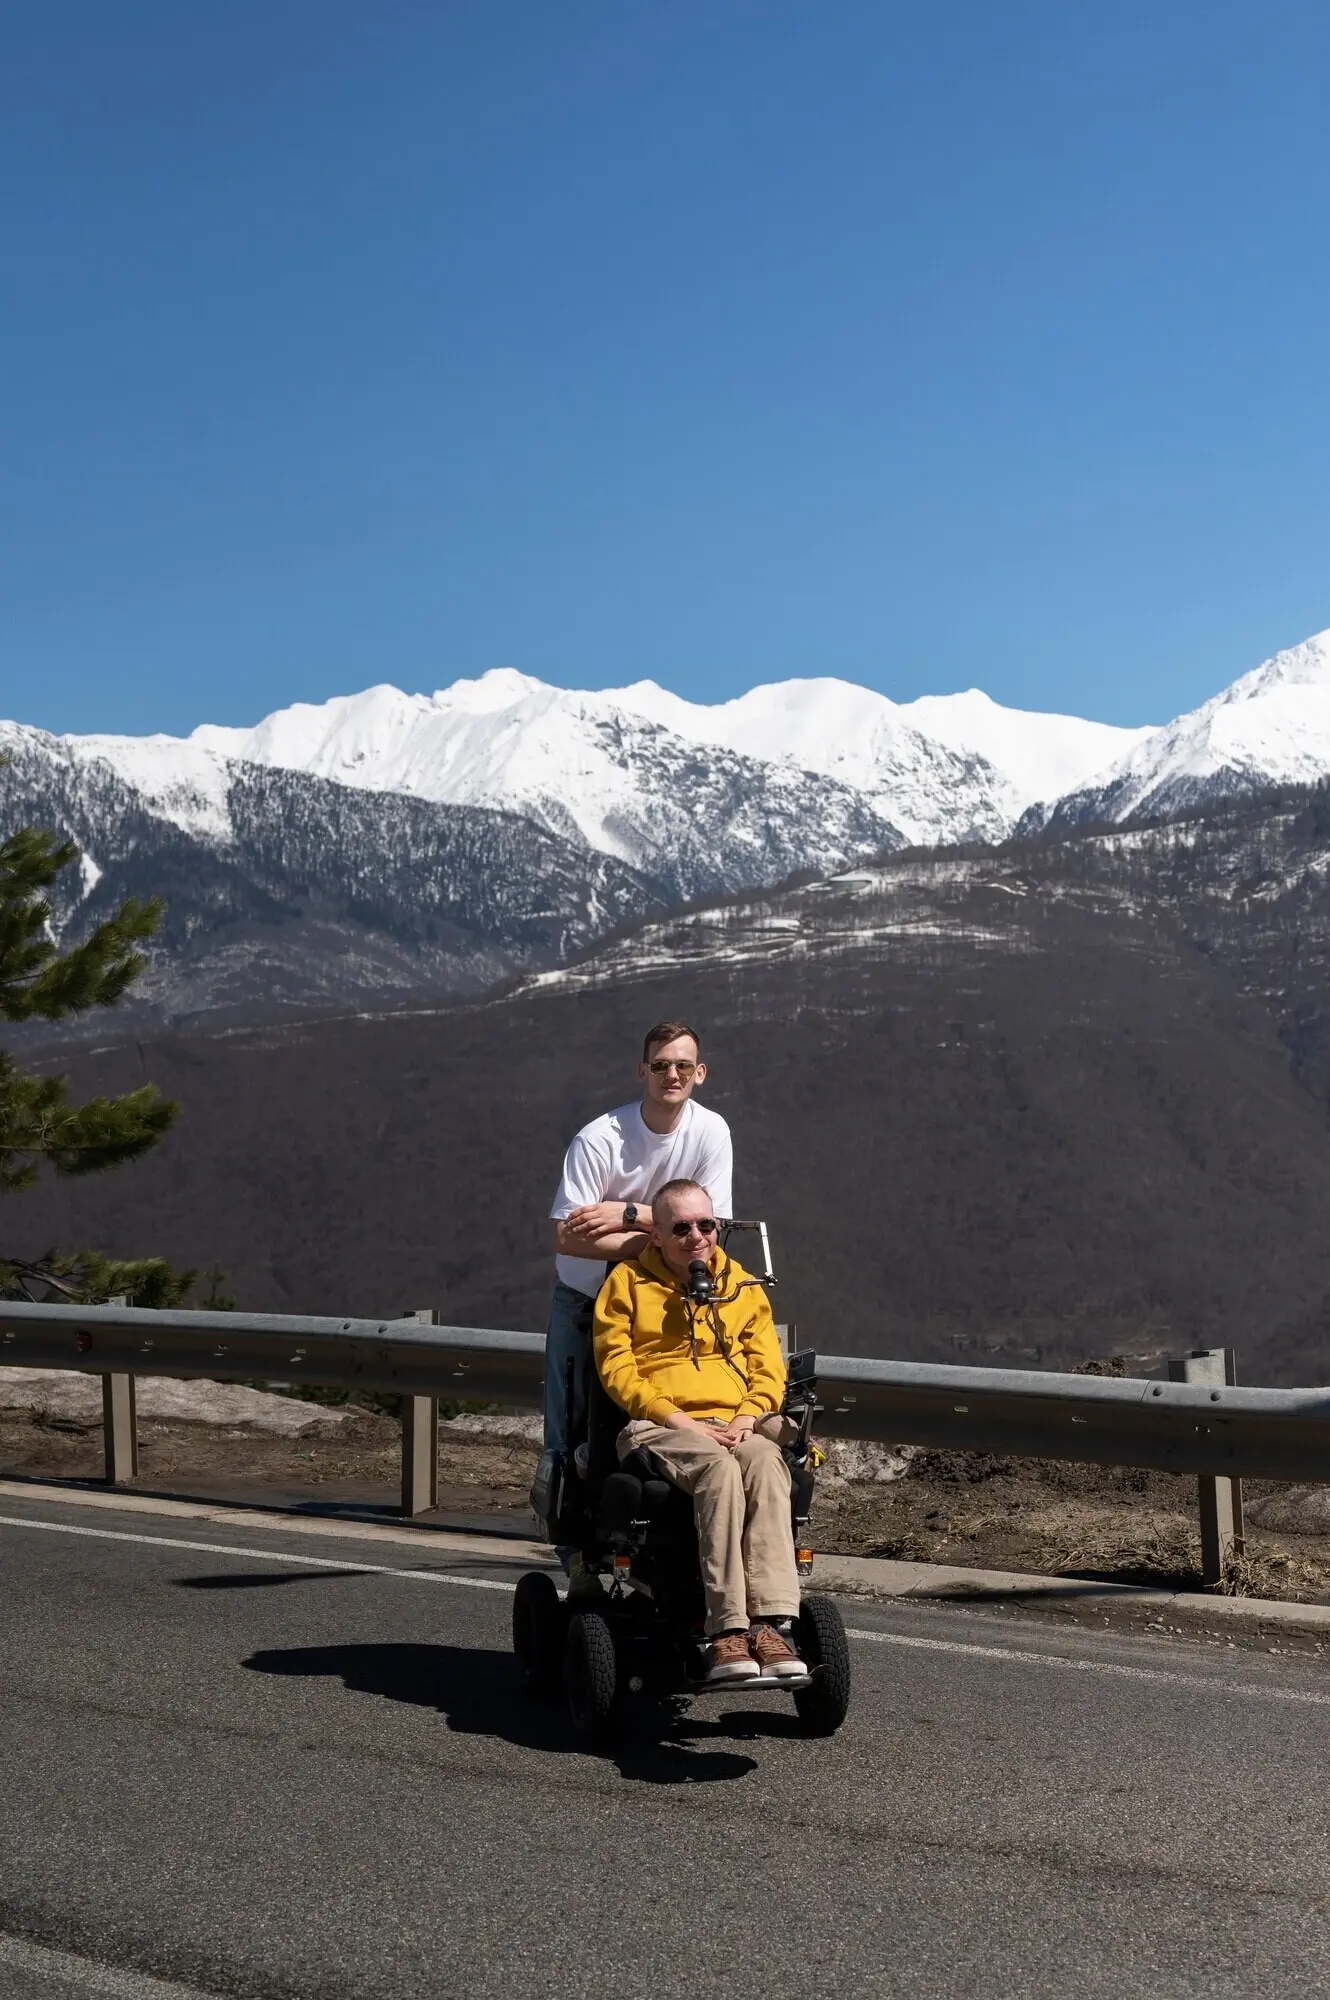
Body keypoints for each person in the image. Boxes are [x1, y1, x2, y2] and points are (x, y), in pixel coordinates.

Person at [593, 1176, 805, 1686]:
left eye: (706, 1225)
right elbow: (618, 1369)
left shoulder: (742, 1286)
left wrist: (746, 1417)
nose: (696, 1237)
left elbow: (767, 1367)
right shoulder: (626, 1285)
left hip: (736, 1421)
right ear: (658, 1235)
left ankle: (771, 1623)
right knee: (718, 1471)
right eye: (681, 1227)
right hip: (661, 1424)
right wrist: (683, 1421)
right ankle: (726, 1628)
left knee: (766, 1464)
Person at [545, 1020, 732, 1465]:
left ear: (700, 1073)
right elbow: (566, 1238)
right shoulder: (599, 1139)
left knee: (649, 1418)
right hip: (586, 1298)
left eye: (684, 1067)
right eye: (661, 1065)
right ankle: (560, 1520)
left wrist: (629, 1214)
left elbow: (713, 1227)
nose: (673, 1075)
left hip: (660, 1299)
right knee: (570, 1424)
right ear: (642, 1070)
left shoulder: (711, 1131)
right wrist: (667, 1239)